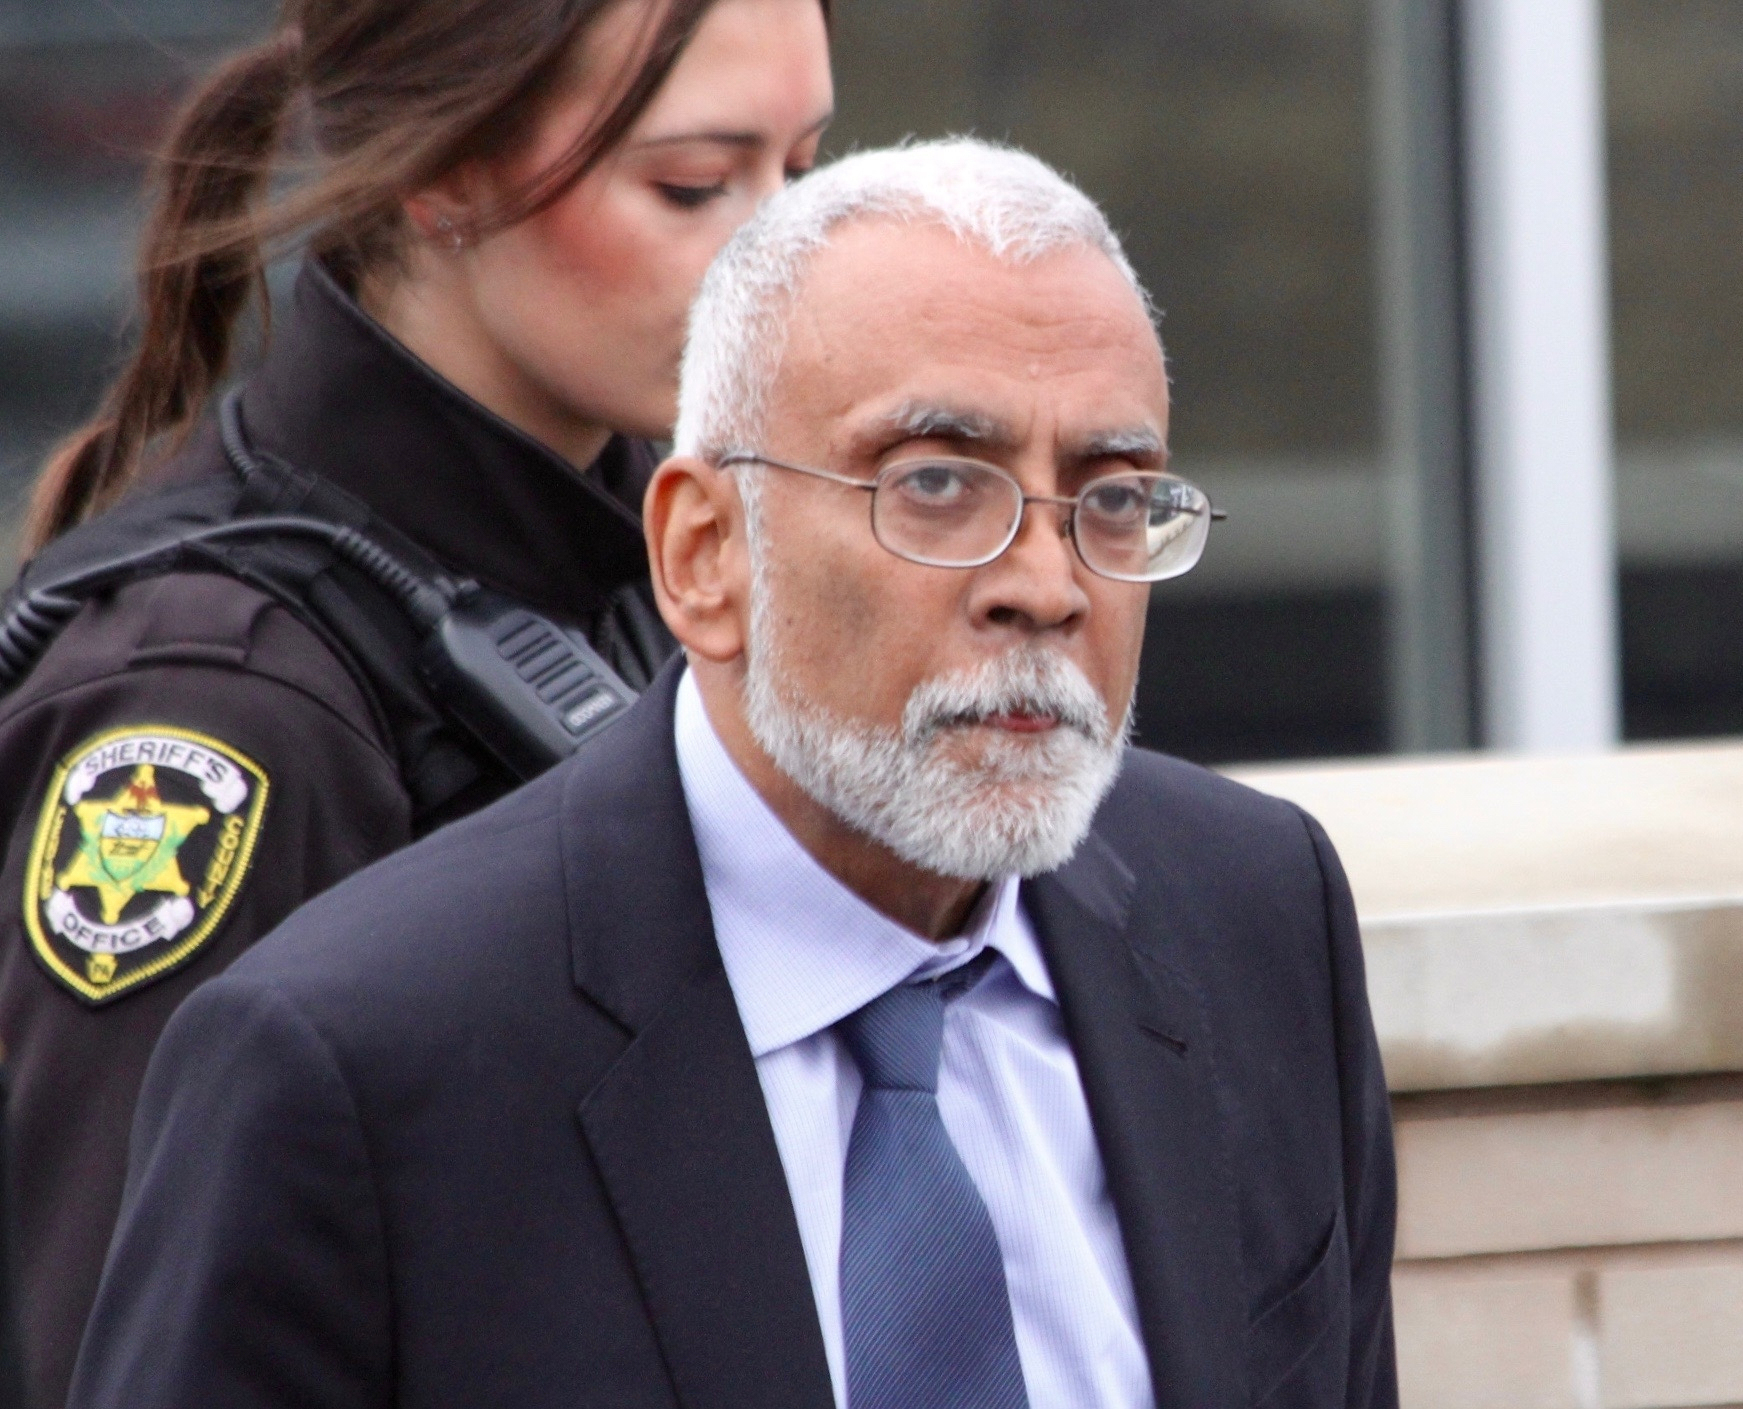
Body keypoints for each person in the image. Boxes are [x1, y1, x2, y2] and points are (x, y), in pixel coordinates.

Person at [72, 140, 1398, 1409]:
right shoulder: (362, 1064)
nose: (1047, 586)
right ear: (706, 551)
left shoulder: (1256, 915)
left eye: (1113, 498)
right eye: (937, 483)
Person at [0, 0, 832, 1402]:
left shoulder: (656, 561)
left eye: (805, 172)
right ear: (441, 170)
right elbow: (127, 1342)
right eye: (694, 185)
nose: (782, 266)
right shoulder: (224, 714)